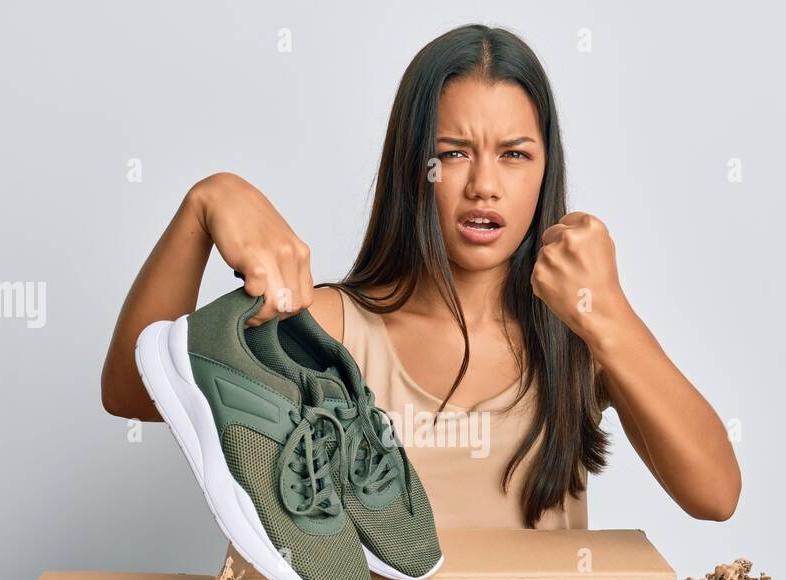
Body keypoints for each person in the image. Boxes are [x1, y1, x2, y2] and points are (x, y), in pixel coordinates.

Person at [101, 23, 740, 530]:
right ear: (414, 168)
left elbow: (715, 495)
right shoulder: (330, 330)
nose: (484, 186)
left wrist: (607, 313)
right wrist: (205, 203)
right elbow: (133, 394)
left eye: (515, 155)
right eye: (452, 154)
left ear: (546, 169)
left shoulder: (579, 336)